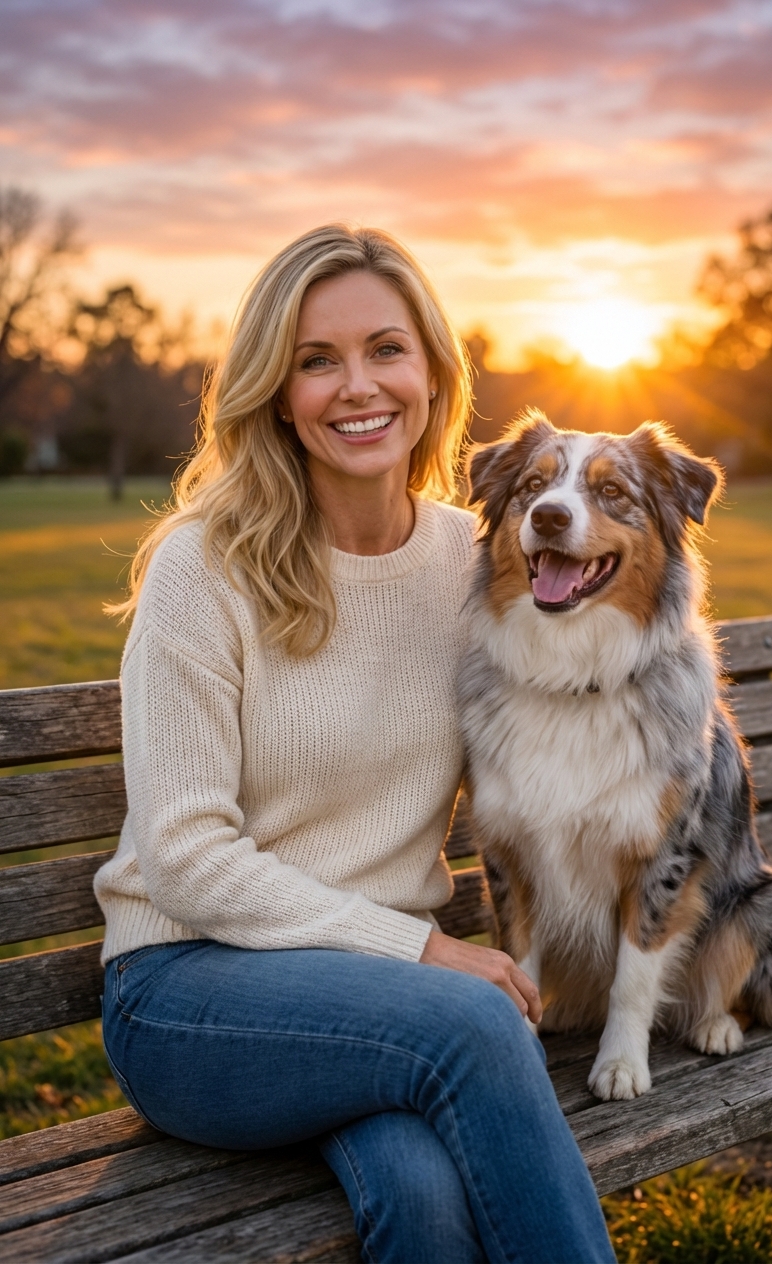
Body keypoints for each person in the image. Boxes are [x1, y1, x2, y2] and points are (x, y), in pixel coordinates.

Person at [95, 224, 616, 1264]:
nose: (356, 386)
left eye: (385, 348)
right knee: (475, 1028)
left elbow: (558, 732)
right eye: (315, 360)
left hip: (378, 1008)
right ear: (275, 392)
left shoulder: (474, 561)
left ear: (430, 369)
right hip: (192, 991)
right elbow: (188, 860)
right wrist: (421, 949)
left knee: (423, 1199)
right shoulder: (206, 566)